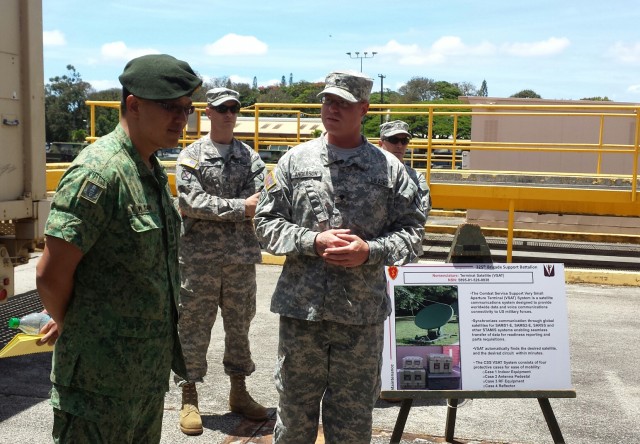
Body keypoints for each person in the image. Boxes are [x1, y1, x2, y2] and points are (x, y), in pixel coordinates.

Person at [35, 54, 202, 443]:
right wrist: (76, 323)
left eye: (186, 109)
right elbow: (50, 273)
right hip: (97, 384)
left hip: (142, 378)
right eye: (169, 107)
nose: (181, 118)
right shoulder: (100, 173)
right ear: (133, 105)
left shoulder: (149, 169)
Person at [254, 71, 426, 443]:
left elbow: (413, 235)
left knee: (352, 421)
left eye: (343, 103)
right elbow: (265, 225)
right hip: (303, 314)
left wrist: (370, 251)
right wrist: (311, 240)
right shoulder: (294, 162)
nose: (331, 109)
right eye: (327, 101)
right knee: (293, 417)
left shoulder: (391, 170)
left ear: (363, 109)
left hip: (359, 318)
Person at [174, 87, 268, 435]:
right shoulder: (191, 156)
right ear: (208, 112)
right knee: (193, 328)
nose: (228, 113)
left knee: (240, 326)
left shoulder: (251, 158)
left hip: (240, 259)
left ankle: (239, 392)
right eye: (221, 108)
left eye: (233, 108)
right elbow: (190, 202)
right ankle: (189, 396)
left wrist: (227, 209)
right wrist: (240, 208)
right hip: (199, 259)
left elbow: (265, 200)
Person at [379, 120, 432, 218]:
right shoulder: (367, 171)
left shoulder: (416, 178)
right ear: (380, 143)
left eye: (404, 141)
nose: (399, 146)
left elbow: (420, 215)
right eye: (393, 140)